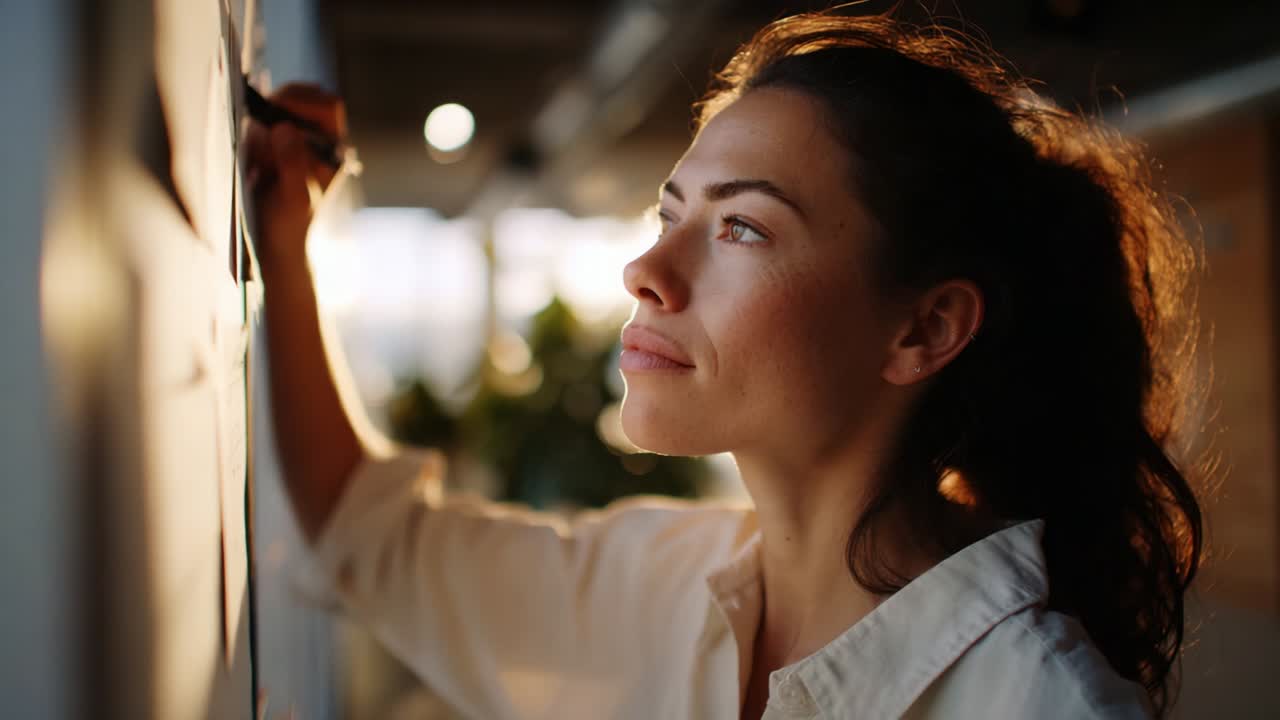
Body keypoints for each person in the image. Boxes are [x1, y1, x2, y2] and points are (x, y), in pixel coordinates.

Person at [248, 9, 1204, 720]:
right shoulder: (660, 583)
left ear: (924, 329)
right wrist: (284, 243)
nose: (645, 271)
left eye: (743, 226)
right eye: (672, 215)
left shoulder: (1043, 705)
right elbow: (366, 535)